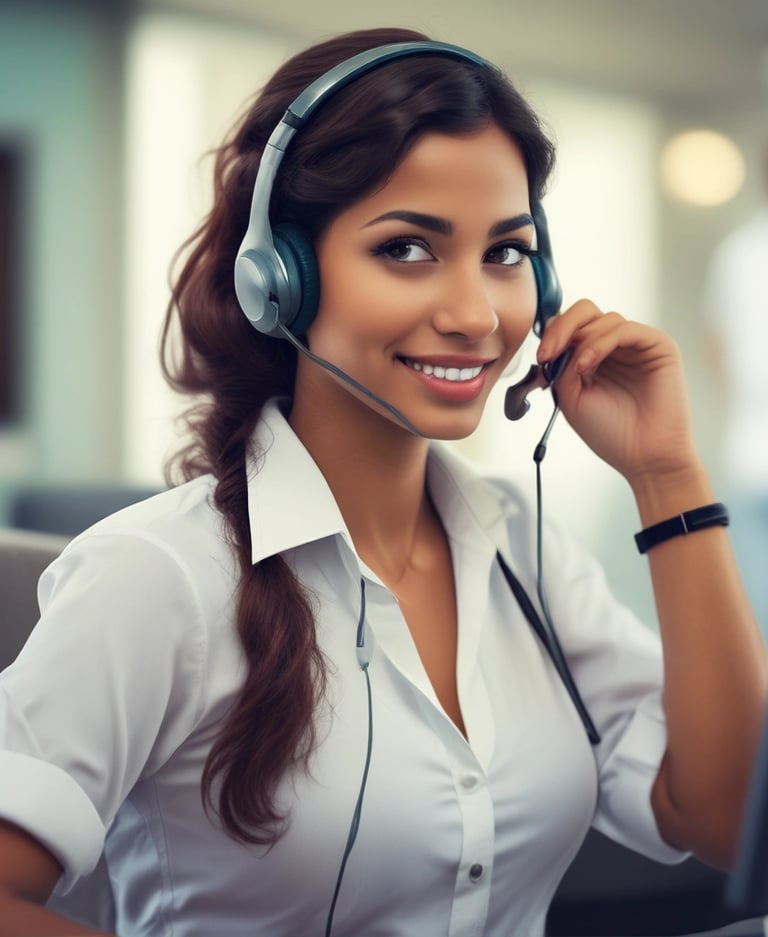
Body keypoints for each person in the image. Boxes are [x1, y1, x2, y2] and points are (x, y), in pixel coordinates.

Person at [0, 26, 766, 937]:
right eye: (407, 248)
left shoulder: (525, 548)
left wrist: (666, 474)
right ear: (276, 276)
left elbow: (724, 819)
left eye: (507, 252)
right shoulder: (155, 573)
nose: (476, 312)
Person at [703, 150, 768, 641]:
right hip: (747, 458)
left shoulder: (737, 251)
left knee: (752, 616)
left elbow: (717, 350)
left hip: (746, 451)